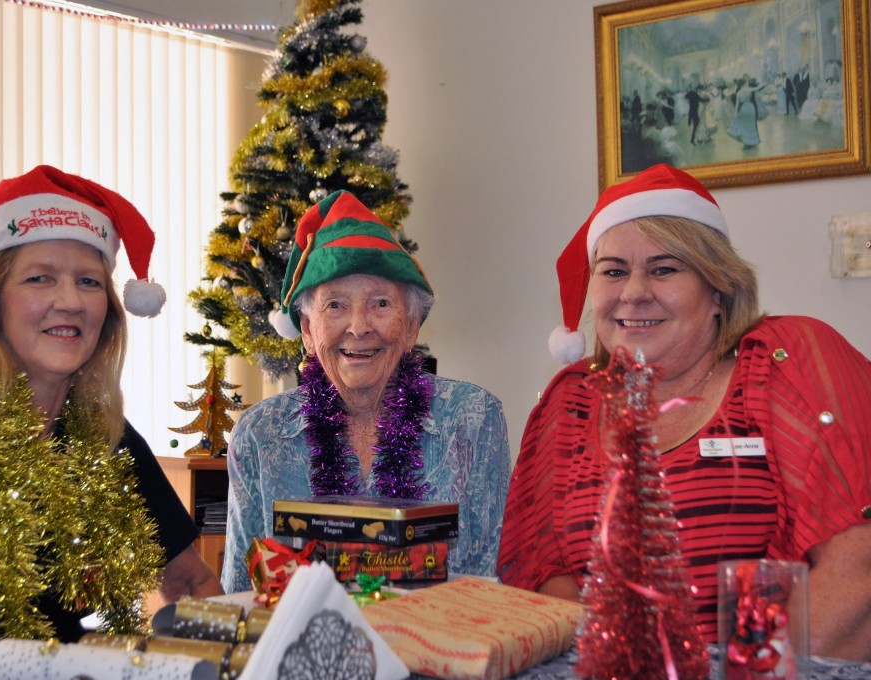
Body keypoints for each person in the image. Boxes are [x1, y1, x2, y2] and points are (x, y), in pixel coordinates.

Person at [0, 165, 223, 680]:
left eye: (89, 281)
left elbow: (192, 584)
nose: (69, 300)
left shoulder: (105, 440)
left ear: (109, 314)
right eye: (39, 277)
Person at [497, 164, 871, 661]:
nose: (633, 292)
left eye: (664, 268)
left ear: (717, 289)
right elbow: (546, 580)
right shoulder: (570, 401)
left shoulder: (788, 361)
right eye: (613, 271)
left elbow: (857, 569)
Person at [221, 190, 511, 593]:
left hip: (436, 649)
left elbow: (489, 585)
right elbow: (241, 592)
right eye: (335, 305)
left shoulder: (473, 419)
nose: (358, 327)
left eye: (380, 304)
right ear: (307, 331)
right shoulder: (259, 435)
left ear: (411, 327)